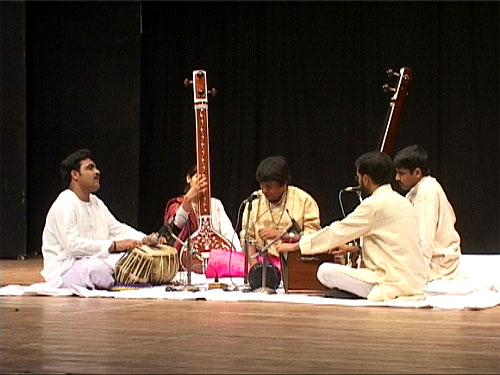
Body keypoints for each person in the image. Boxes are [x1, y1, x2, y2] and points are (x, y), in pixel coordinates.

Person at [277, 152, 427, 302]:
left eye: (359, 178)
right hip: (416, 281)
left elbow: (338, 231)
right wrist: (354, 249)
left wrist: (298, 246)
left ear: (366, 179)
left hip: (391, 281)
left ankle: (358, 292)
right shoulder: (404, 202)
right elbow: (392, 245)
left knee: (324, 271)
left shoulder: (374, 204)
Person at [41, 149, 160, 290]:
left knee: (134, 259)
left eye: (96, 168)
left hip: (93, 261)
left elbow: (118, 229)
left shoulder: (96, 202)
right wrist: (113, 246)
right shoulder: (65, 203)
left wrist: (144, 239)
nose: (97, 172)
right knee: (99, 271)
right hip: (65, 267)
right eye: (90, 168)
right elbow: (73, 246)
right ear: (75, 175)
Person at [393, 145, 461, 282]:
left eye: (401, 173)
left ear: (417, 172)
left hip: (438, 268)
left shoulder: (426, 191)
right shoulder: (417, 190)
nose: (397, 178)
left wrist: (418, 279)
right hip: (430, 264)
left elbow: (425, 239)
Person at [241, 155, 321, 268]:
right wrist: (255, 269)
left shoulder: (304, 201)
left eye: (268, 187)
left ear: (283, 184)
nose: (264, 191)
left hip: (295, 264)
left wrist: (283, 236)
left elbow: (313, 237)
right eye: (261, 186)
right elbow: (249, 240)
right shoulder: (254, 203)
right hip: (262, 263)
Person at [163, 165, 242, 253]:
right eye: (198, 177)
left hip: (213, 259)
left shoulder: (215, 204)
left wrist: (238, 255)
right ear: (188, 179)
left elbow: (229, 234)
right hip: (187, 260)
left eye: (205, 179)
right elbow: (176, 226)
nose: (202, 182)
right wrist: (188, 199)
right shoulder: (177, 205)